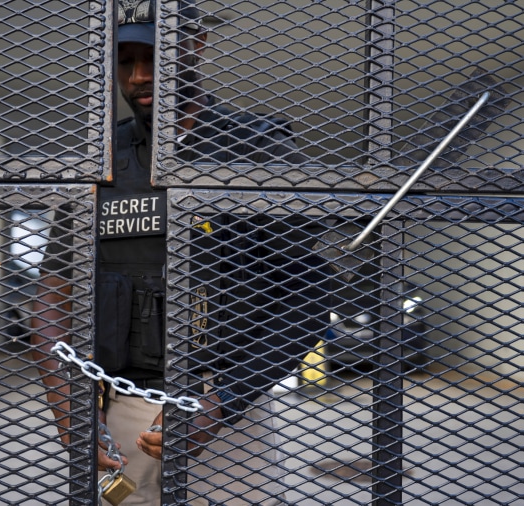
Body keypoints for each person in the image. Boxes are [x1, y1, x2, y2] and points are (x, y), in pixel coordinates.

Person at [30, 1, 328, 504]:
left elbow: (307, 298)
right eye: (125, 62)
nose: (140, 75)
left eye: (153, 56)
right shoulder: (102, 165)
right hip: (120, 404)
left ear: (195, 46)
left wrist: (219, 403)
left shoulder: (257, 152)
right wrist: (70, 411)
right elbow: (50, 299)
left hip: (227, 405)